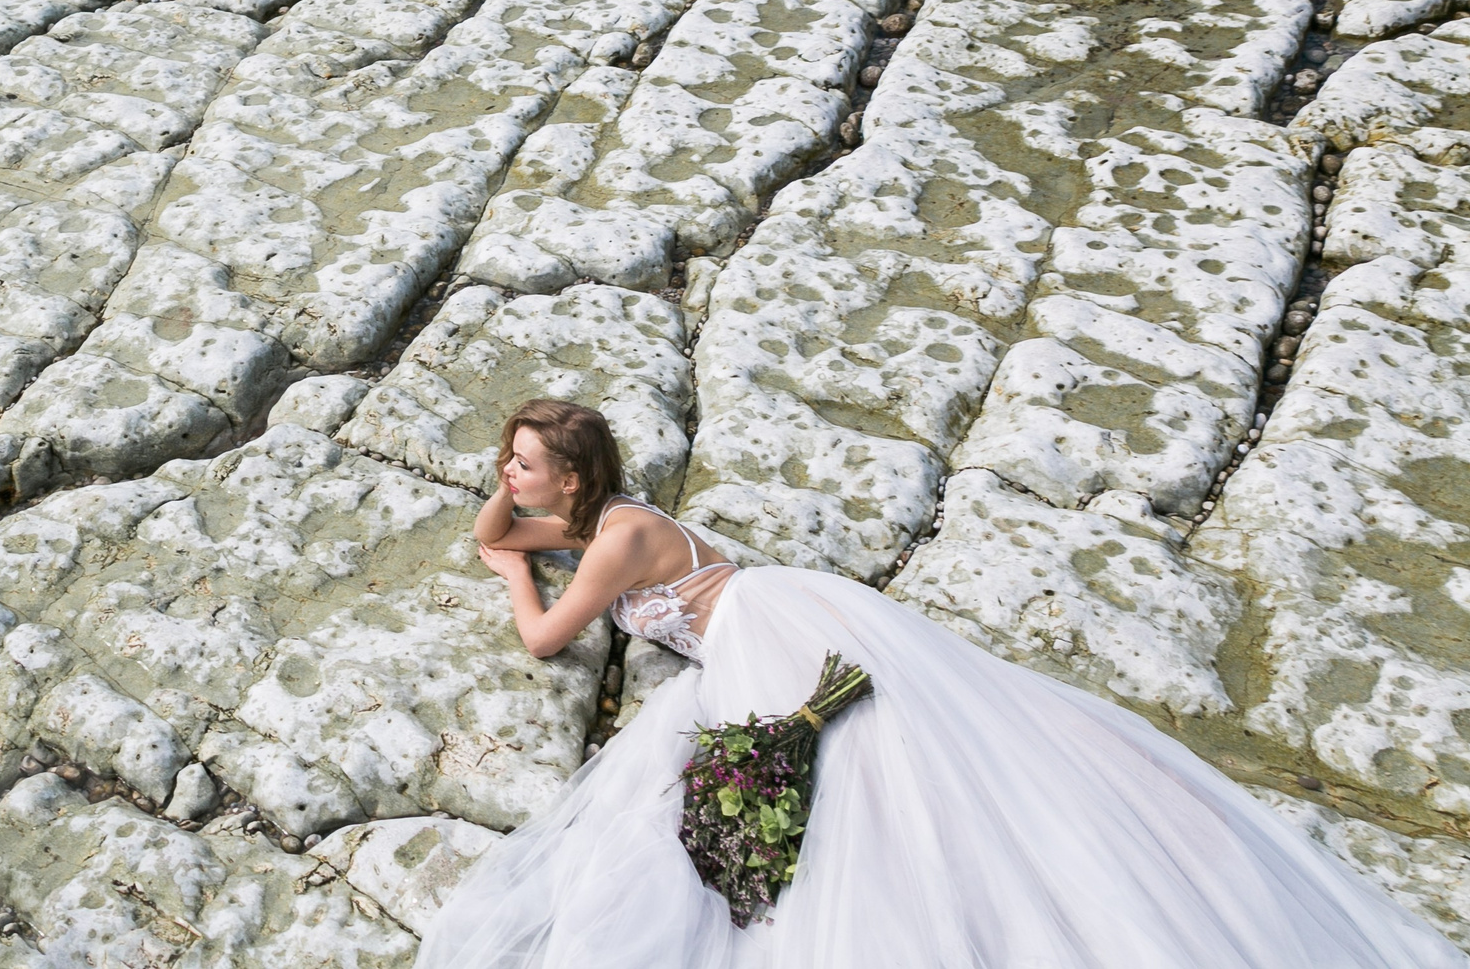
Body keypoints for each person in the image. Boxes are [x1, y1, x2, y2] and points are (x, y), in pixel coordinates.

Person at [419, 398, 1467, 969]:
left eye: (523, 462)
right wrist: (506, 513)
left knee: (879, 785)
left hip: (761, 629)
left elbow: (543, 636)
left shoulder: (615, 538)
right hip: (785, 610)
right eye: (509, 457)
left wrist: (513, 572)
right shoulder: (600, 517)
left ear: (571, 476)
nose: (508, 473)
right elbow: (496, 526)